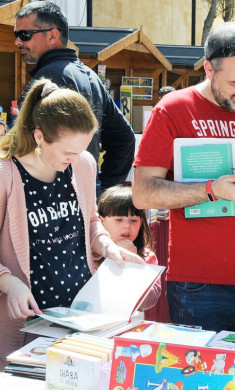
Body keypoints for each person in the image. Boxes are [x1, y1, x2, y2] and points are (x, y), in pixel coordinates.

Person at [132, 22, 235, 334]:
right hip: (198, 285)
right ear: (209, 69)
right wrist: (211, 189)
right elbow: (143, 194)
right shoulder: (173, 109)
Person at [0, 78, 143, 369]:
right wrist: (9, 282)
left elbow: (90, 221)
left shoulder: (83, 165)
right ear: (39, 137)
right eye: (67, 152)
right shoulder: (5, 175)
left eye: (81, 149)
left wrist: (106, 245)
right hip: (26, 320)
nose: (75, 158)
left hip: (81, 313)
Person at [15, 1, 135, 195]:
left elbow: (22, 145)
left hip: (50, 205)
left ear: (53, 35)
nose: (18, 42)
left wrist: (101, 190)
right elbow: (125, 138)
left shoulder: (48, 78)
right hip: (77, 201)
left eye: (24, 35)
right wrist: (101, 191)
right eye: (17, 35)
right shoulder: (90, 76)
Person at [97, 185, 161, 311]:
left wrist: (133, 264)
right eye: (119, 220)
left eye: (133, 220)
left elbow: (149, 301)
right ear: (102, 221)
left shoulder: (146, 257)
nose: (127, 226)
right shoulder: (92, 253)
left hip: (128, 323)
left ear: (141, 222)